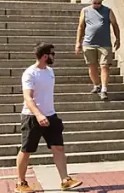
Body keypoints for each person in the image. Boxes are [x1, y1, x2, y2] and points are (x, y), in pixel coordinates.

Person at [16, 43, 82, 192]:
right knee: (26, 150)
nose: (54, 56)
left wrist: (47, 114)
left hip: (51, 115)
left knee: (58, 147)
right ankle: (21, 183)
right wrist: (38, 115)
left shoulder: (50, 71)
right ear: (45, 56)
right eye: (53, 54)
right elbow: (28, 97)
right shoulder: (30, 73)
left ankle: (65, 180)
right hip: (32, 117)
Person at [75, 0, 120, 101]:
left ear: (101, 1)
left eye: (98, 3)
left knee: (105, 66)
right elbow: (81, 27)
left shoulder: (108, 11)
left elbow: (115, 25)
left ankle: (104, 89)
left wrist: (118, 38)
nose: (96, 5)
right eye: (94, 3)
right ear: (91, 1)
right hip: (89, 43)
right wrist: (78, 42)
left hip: (104, 44)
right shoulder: (85, 11)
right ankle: (97, 85)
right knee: (92, 66)